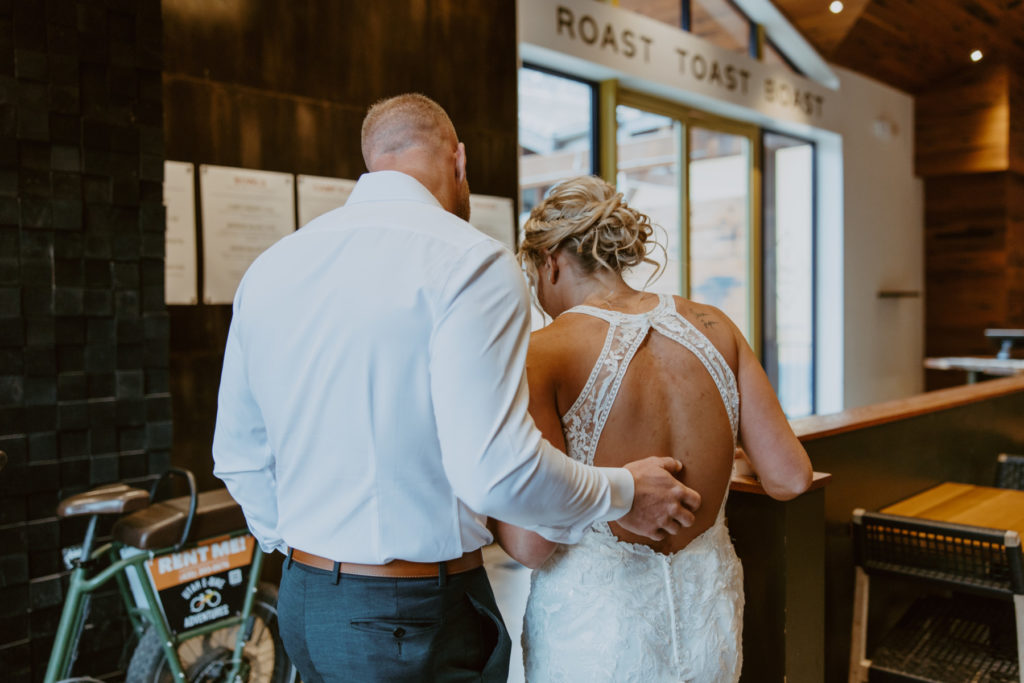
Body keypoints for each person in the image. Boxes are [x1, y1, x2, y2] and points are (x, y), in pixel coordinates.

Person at [211, 94, 702, 682]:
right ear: (459, 160)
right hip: (409, 618)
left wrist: (314, 551)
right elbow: (496, 472)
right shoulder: (468, 259)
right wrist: (624, 490)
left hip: (303, 604)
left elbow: (238, 458)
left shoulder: (272, 266)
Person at [492, 175, 814, 682]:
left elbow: (534, 543)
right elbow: (791, 477)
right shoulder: (716, 326)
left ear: (549, 261)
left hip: (599, 637)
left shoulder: (545, 351)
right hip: (710, 624)